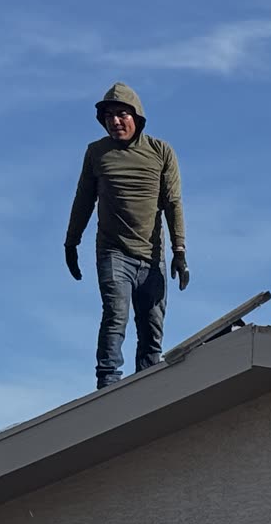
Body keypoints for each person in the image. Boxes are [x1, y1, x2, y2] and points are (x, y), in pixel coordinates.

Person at [65, 83, 188, 389]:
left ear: (137, 118)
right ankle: (107, 384)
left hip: (152, 255)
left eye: (122, 114)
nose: (115, 121)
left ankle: (146, 386)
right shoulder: (97, 153)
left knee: (151, 327)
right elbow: (83, 199)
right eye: (109, 116)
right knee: (115, 314)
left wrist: (180, 251)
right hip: (113, 251)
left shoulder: (161, 152)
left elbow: (173, 203)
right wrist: (71, 242)